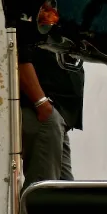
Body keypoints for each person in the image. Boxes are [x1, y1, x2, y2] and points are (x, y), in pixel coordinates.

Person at [18, 34, 84, 185]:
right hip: (43, 114)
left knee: (64, 190)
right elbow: (21, 57)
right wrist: (42, 104)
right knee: (44, 187)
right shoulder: (35, 19)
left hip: (57, 115)